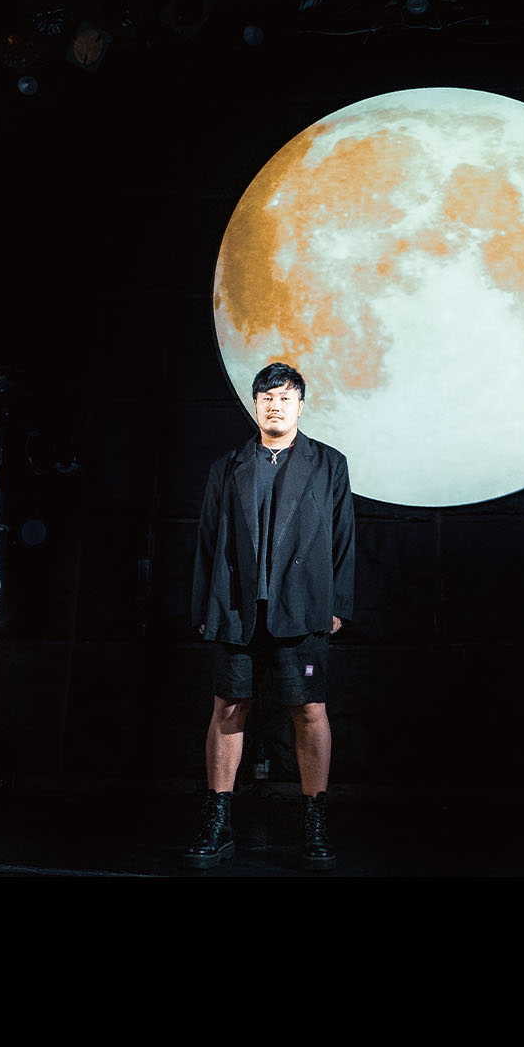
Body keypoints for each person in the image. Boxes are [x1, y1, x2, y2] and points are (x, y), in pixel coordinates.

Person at [186, 362, 354, 873]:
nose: (274, 405)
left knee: (309, 710)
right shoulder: (228, 465)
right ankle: (218, 821)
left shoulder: (329, 464)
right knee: (228, 706)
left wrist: (338, 605)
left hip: (302, 606)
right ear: (254, 405)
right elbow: (207, 539)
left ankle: (315, 821)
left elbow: (343, 537)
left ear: (300, 405)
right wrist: (204, 606)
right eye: (266, 398)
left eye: (284, 397)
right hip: (237, 606)